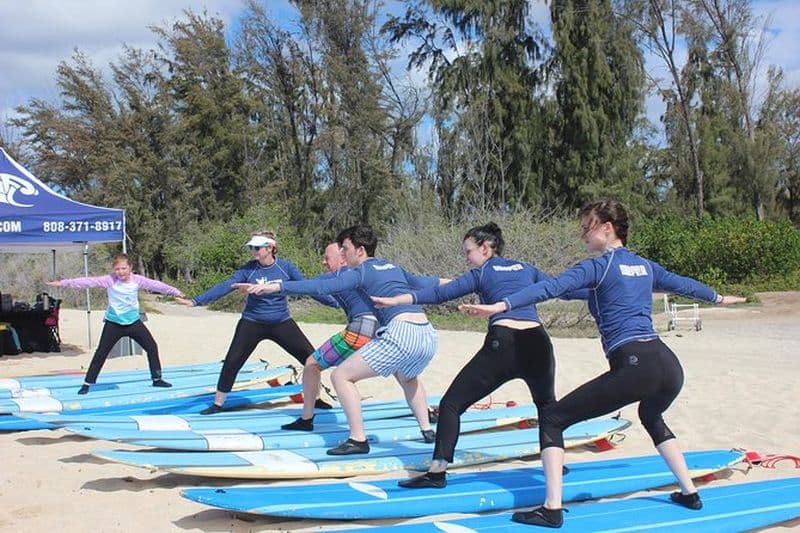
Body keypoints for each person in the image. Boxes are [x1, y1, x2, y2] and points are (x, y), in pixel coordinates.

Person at [460, 200, 746, 528]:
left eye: (587, 227)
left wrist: (502, 305)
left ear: (607, 228)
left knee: (552, 419)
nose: (583, 235)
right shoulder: (644, 266)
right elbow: (683, 284)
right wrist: (718, 298)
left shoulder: (599, 266)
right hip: (668, 365)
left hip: (635, 364)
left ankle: (551, 509)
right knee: (650, 415)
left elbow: (550, 288)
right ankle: (689, 492)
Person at [372, 222, 584, 488]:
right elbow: (563, 289)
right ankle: (555, 464)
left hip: (504, 344)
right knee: (547, 406)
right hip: (539, 343)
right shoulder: (526, 268)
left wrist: (395, 300)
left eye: (468, 251)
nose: (467, 258)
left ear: (485, 248)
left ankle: (437, 473)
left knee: (451, 404)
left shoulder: (482, 272)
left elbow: (438, 294)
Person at [248, 225, 445, 455]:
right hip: (427, 334)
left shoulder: (359, 272)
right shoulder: (392, 267)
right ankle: (426, 430)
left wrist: (276, 286)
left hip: (400, 332)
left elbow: (321, 286)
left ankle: (357, 439)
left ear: (360, 251)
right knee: (407, 376)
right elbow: (428, 282)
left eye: (345, 248)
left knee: (341, 376)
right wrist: (472, 282)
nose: (343, 254)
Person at [176, 231, 337, 415]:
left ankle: (316, 399)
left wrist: (333, 303)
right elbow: (226, 285)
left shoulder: (286, 267)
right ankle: (218, 404)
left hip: (281, 322)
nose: (253, 251)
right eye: (251, 247)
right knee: (232, 362)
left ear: (270, 248)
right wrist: (197, 301)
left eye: (257, 247)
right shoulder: (249, 269)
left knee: (311, 359)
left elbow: (307, 288)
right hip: (252, 322)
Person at [243, 242, 379, 432]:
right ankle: (425, 421)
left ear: (342, 257)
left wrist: (274, 287)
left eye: (327, 258)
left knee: (313, 364)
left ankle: (308, 419)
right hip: (385, 328)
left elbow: (307, 286)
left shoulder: (338, 275)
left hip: (361, 329)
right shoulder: (369, 271)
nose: (323, 262)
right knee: (401, 372)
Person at [47, 253, 183, 394]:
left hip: (133, 323)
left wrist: (175, 292)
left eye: (123, 268)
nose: (120, 272)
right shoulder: (109, 280)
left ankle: (157, 379)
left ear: (130, 267)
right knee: (101, 352)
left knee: (152, 347)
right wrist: (64, 283)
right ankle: (87, 383)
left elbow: (157, 285)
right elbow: (87, 282)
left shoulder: (137, 280)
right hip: (114, 324)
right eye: (117, 269)